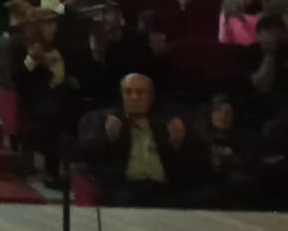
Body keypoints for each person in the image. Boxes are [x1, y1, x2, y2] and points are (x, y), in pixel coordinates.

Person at [75, 74, 205, 207]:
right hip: (124, 190)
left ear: (151, 97)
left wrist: (177, 145)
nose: (134, 97)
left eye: (140, 92)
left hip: (164, 191)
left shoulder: (167, 123)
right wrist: (108, 138)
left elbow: (194, 165)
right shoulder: (106, 121)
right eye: (128, 92)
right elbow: (85, 156)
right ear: (122, 96)